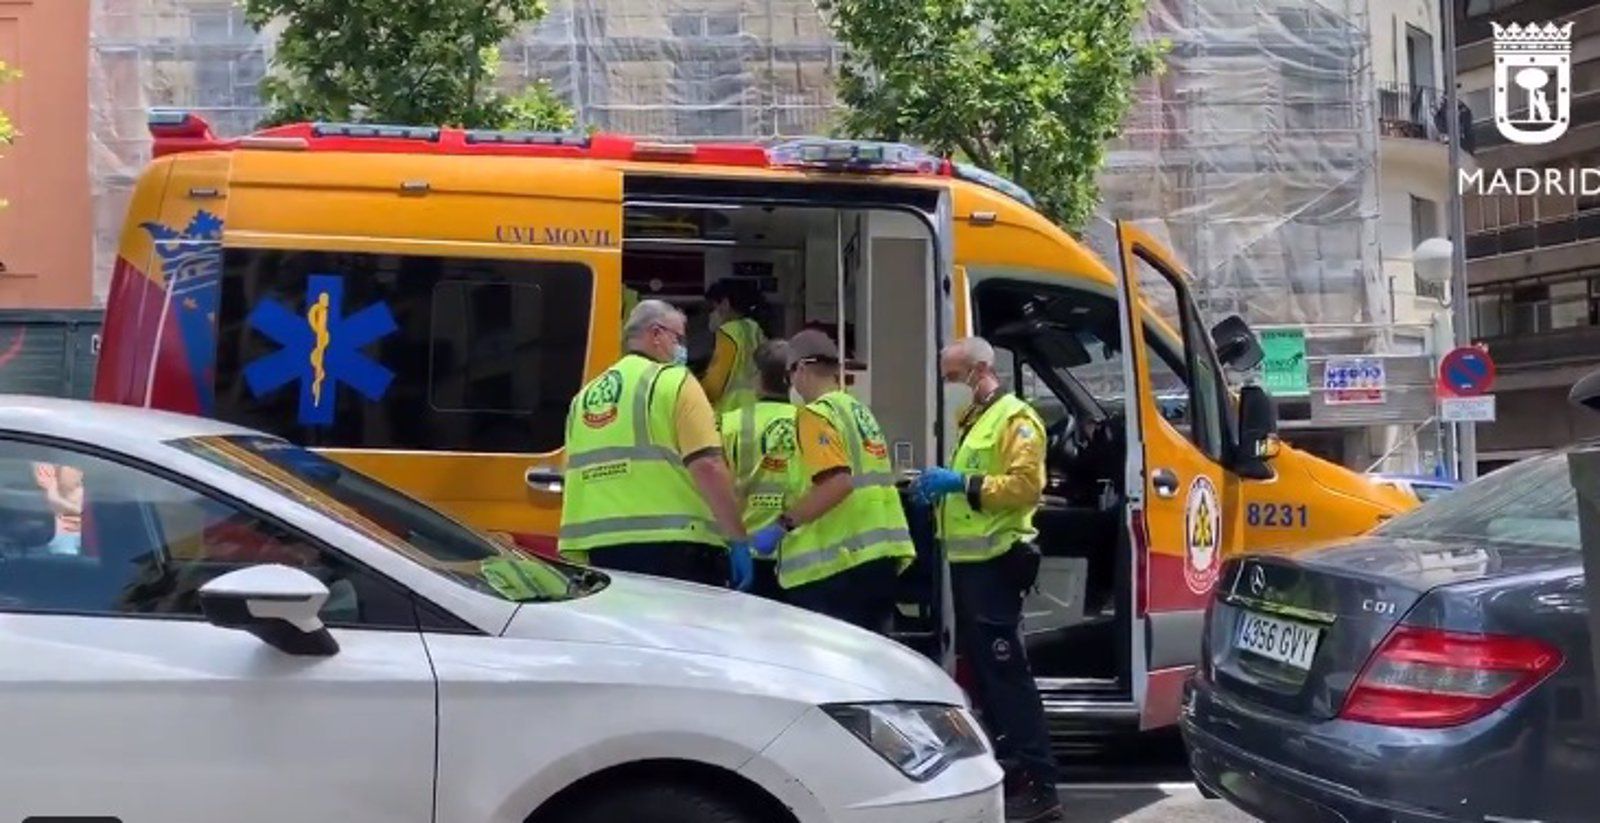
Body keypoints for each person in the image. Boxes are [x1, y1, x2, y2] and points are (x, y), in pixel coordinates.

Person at [912, 336, 1061, 823]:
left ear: (980, 371)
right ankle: (1013, 770)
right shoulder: (973, 420)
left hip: (998, 562)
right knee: (987, 677)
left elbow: (1025, 486)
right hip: (972, 564)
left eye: (953, 376)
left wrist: (962, 484)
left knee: (1007, 676)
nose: (949, 385)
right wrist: (940, 493)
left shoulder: (1015, 419)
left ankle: (1043, 787)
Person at [559, 299, 754, 589]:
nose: (682, 348)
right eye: (678, 338)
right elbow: (708, 465)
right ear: (655, 334)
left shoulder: (585, 397)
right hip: (676, 548)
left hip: (602, 550)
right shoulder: (673, 381)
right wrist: (738, 538)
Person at [745, 329, 915, 631]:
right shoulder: (857, 411)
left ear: (800, 369)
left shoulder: (814, 416)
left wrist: (782, 525)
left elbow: (838, 483)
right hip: (880, 559)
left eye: (791, 374)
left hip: (837, 568)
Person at [719, 339, 804, 601]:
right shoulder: (809, 423)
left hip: (747, 550)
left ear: (757, 377)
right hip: (799, 553)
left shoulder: (730, 423)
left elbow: (716, 485)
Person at [700, 278, 767, 415]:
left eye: (713, 307)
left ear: (725, 303)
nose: (711, 314)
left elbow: (715, 383)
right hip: (755, 405)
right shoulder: (755, 329)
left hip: (729, 410)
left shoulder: (728, 333)